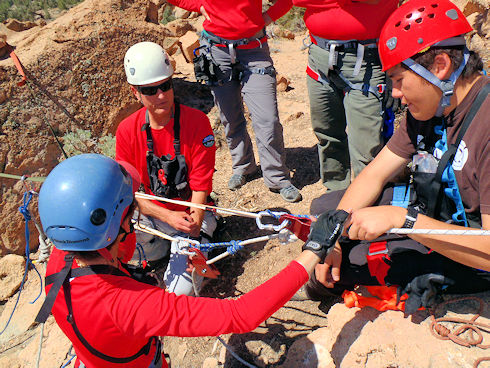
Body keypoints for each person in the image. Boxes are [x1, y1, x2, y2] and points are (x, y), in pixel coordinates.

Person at [35, 153, 348, 368]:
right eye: (131, 210)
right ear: (119, 226)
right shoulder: (128, 306)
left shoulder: (63, 256)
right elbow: (242, 315)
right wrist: (314, 250)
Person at [303, 0, 490, 313]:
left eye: (399, 80)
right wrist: (334, 235)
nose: (396, 94)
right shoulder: (433, 104)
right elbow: (374, 174)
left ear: (440, 66)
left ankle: (320, 286)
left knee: (351, 263)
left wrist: (404, 220)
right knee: (327, 210)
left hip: (472, 247)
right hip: (438, 207)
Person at [167, 0, 302, 202]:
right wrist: (198, 6)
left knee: (267, 119)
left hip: (254, 49)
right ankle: (243, 166)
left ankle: (277, 177)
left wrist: (266, 18)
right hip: (216, 49)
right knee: (229, 116)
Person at [116, 41, 217, 295]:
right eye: (150, 90)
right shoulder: (127, 131)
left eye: (165, 86)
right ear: (135, 93)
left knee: (177, 293)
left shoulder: (197, 123)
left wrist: (194, 223)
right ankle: (158, 250)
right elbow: (132, 194)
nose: (161, 95)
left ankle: (200, 240)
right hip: (153, 218)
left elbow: (200, 185)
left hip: (191, 216)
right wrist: (166, 216)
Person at [290, 0, 398, 191]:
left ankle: (367, 207)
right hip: (319, 57)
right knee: (327, 133)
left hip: (365, 60)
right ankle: (336, 194)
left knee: (366, 148)